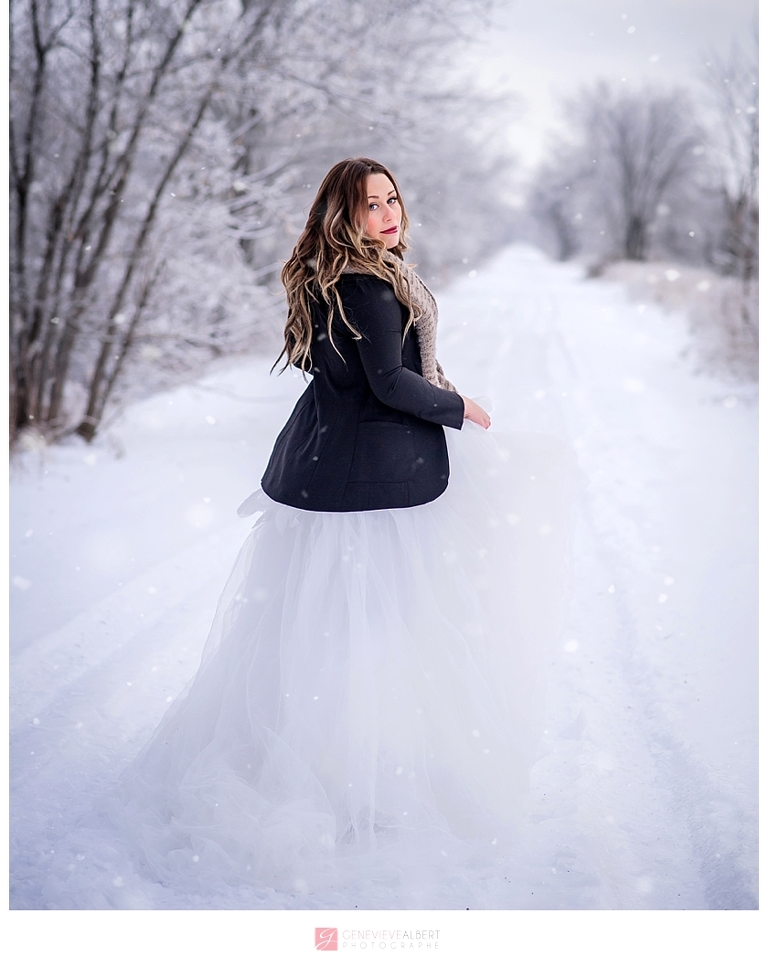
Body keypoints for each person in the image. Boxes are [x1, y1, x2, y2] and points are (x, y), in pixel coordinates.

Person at [105, 157, 575, 908]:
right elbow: (389, 383)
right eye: (370, 204)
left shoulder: (335, 277)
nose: (389, 213)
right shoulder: (368, 285)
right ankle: (359, 791)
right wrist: (464, 409)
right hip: (370, 487)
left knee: (318, 635)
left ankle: (315, 767)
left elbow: (344, 373)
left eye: (393, 197)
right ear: (342, 215)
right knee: (379, 635)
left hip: (327, 469)